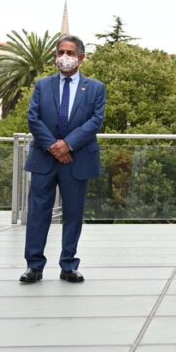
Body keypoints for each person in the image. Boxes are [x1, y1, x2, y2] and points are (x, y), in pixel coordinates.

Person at [20, 35, 106, 284]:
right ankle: (33, 266)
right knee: (38, 213)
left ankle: (69, 264)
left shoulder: (95, 88)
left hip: (77, 160)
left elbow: (95, 121)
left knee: (73, 214)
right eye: (60, 52)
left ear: (81, 57)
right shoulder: (42, 85)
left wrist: (68, 145)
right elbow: (33, 119)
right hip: (44, 159)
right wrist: (53, 146)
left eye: (69, 53)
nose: (64, 57)